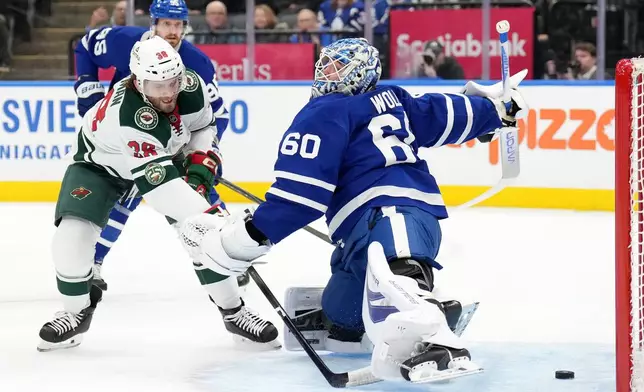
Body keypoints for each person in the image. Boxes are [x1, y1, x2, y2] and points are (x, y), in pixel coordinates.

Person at [179, 38, 526, 383]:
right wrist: (494, 111)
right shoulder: (393, 98)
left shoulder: (326, 111)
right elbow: (441, 114)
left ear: (360, 74)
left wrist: (241, 242)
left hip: (393, 213)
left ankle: (437, 337)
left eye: (337, 67)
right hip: (367, 229)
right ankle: (383, 315)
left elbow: (299, 197)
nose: (325, 73)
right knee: (342, 312)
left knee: (400, 273)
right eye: (325, 65)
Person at [38, 37, 278, 352]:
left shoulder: (191, 86)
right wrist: (208, 218)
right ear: (138, 81)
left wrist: (201, 161)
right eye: (156, 85)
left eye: (172, 82)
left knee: (201, 240)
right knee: (71, 239)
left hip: (162, 155)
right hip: (100, 166)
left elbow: (204, 127)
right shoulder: (130, 115)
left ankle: (234, 312)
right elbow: (161, 189)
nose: (167, 92)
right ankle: (75, 312)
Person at [73, 0, 249, 292]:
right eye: (167, 23)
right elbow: (85, 45)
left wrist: (203, 154)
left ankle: (224, 256)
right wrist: (88, 87)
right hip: (127, 136)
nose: (173, 31)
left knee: (197, 197)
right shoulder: (125, 41)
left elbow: (217, 116)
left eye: (178, 24)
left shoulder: (198, 64)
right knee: (121, 198)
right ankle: (91, 264)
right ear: (153, 23)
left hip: (174, 141)